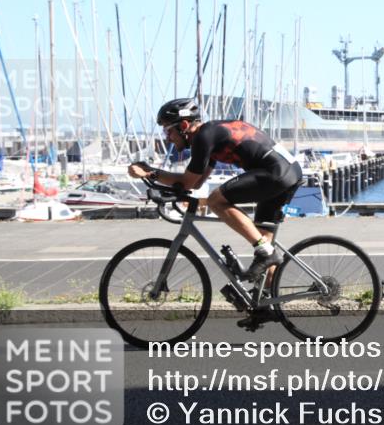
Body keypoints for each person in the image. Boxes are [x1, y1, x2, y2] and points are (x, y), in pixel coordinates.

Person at [128, 98, 304, 326]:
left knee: (216, 202)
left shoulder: (204, 136)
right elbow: (195, 182)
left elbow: (189, 180)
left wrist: (151, 173)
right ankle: (265, 305)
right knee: (263, 237)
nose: (167, 137)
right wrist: (165, 183)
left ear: (183, 126)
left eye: (168, 131)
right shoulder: (210, 136)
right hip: (287, 172)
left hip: (275, 173)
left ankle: (264, 252)